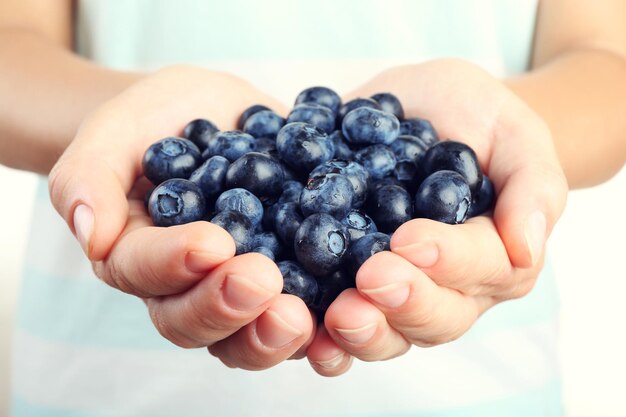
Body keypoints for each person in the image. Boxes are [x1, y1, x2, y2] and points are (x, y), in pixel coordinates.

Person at [1, 0, 625, 416]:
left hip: (482, 388)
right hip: (108, 389)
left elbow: (608, 60)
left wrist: (520, 139)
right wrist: (114, 127)